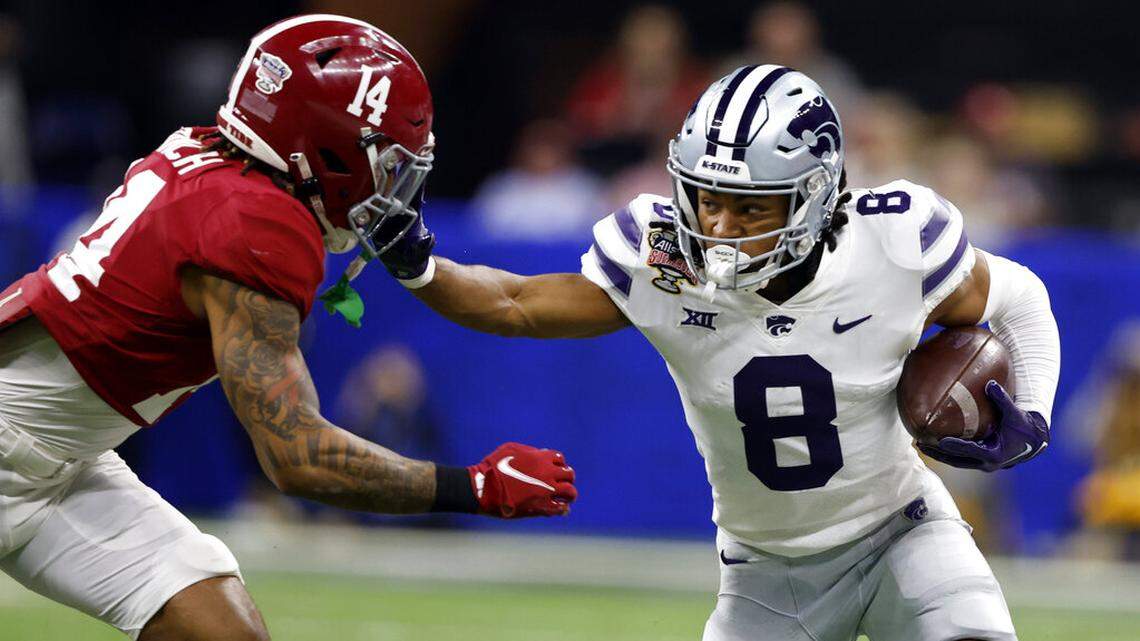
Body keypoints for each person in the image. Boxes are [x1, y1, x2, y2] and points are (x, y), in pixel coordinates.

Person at [374, 65, 1060, 640]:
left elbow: (1020, 295)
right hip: (764, 572)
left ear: (816, 196)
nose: (720, 228)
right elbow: (517, 303)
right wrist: (418, 266)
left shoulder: (891, 243)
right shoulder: (662, 258)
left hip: (903, 534)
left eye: (750, 207)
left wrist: (1030, 415)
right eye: (706, 200)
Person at [0, 14, 576, 641]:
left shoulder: (207, 154)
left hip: (60, 459)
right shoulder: (259, 226)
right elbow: (299, 458)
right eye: (385, 162)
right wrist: (472, 486)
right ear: (326, 144)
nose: (395, 186)